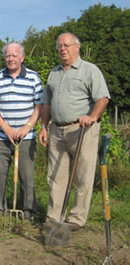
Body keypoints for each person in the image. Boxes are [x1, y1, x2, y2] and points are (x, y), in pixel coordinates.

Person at [39, 32, 110, 231]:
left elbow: (102, 98)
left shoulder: (89, 70)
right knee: (55, 176)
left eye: (67, 45)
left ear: (77, 47)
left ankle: (76, 219)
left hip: (82, 130)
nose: (62, 49)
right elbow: (46, 102)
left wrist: (93, 116)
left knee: (82, 175)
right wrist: (44, 126)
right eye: (59, 46)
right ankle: (54, 218)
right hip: (56, 130)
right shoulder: (54, 72)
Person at [0, 42, 43, 222]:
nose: (10, 59)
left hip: (26, 136)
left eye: (14, 55)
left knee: (27, 175)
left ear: (22, 57)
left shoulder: (33, 77)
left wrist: (27, 127)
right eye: (8, 56)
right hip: (0, 136)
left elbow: (39, 106)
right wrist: (6, 128)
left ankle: (28, 212)